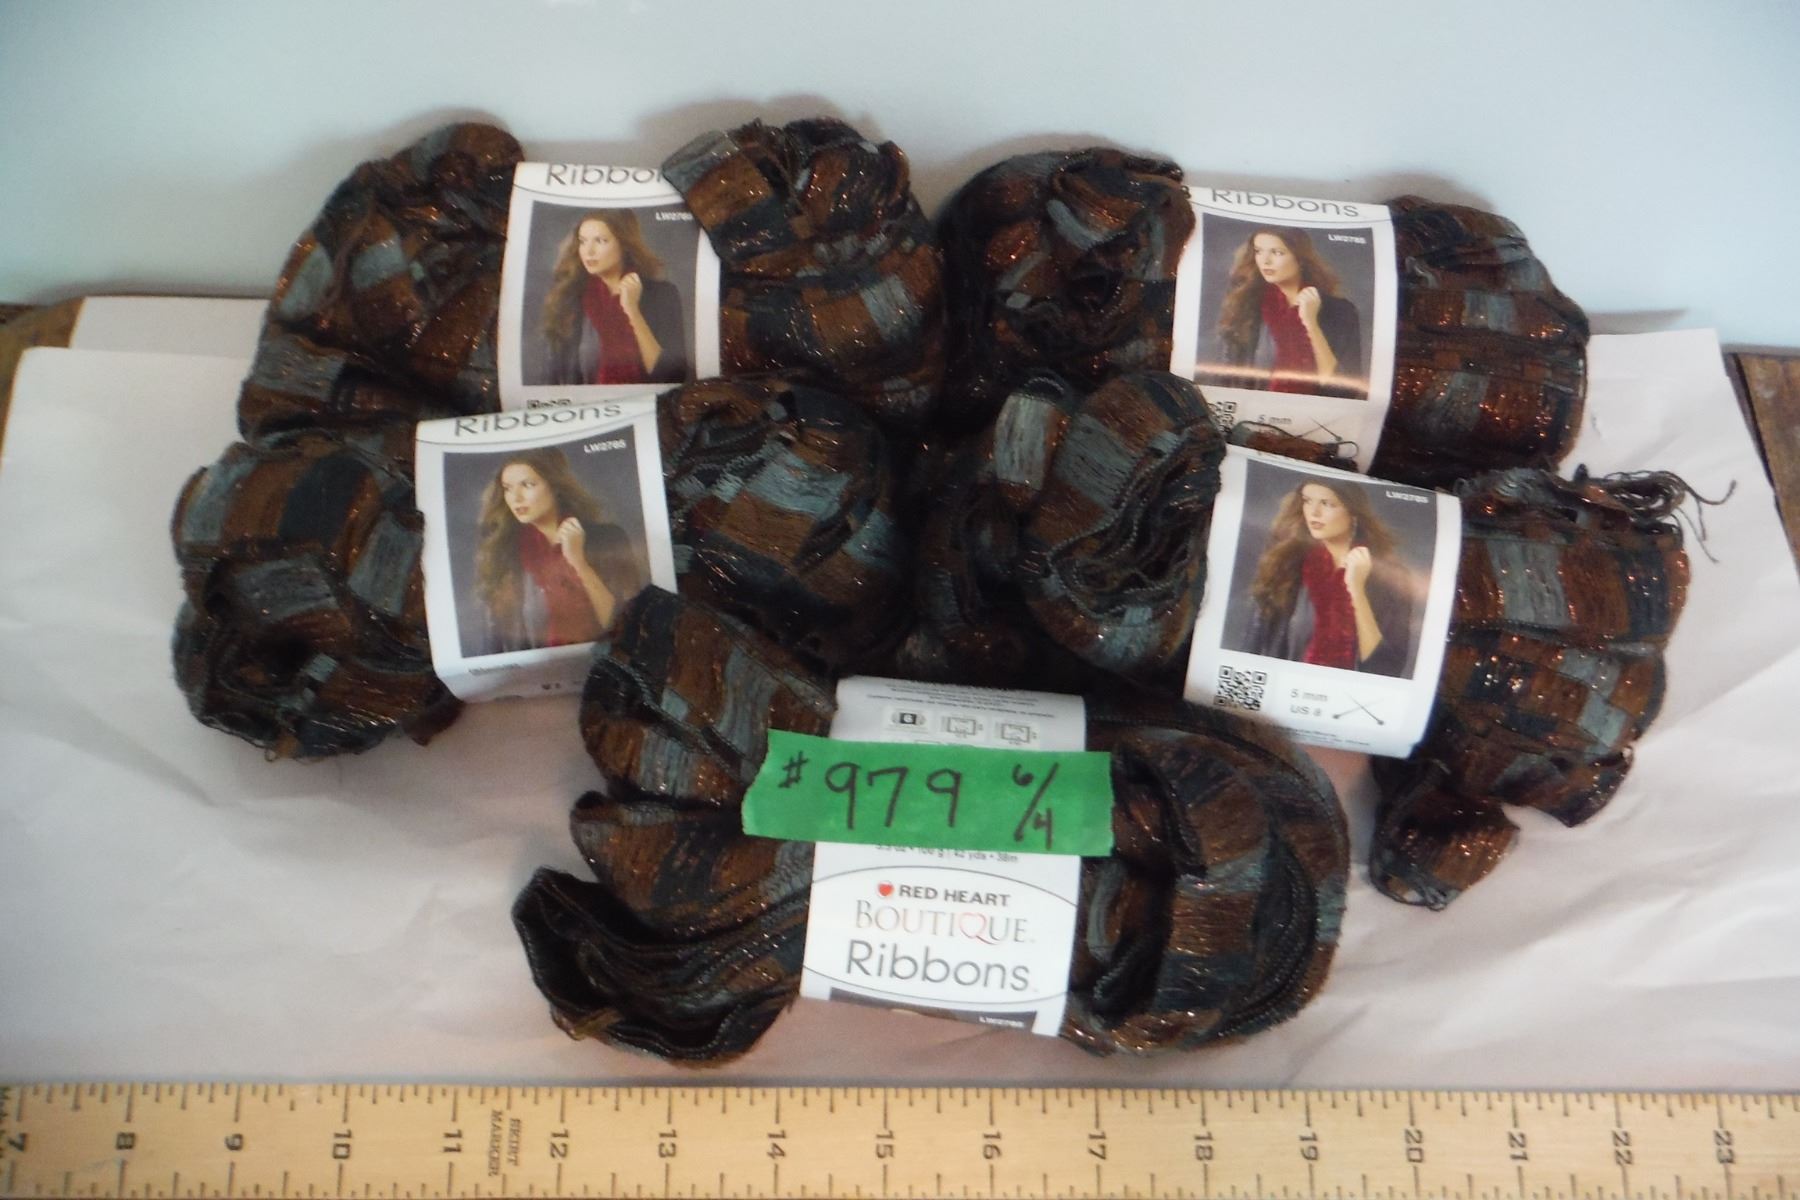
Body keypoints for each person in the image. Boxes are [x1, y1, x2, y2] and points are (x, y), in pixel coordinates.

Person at [471, 448, 648, 655]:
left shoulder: (607, 538)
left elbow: (624, 624)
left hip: (604, 664)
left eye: (528, 485)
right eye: (508, 488)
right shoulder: (504, 553)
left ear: (554, 486)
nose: (516, 498)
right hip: (536, 671)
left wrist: (578, 562)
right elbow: (497, 641)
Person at [1243, 477, 1414, 677]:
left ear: (1353, 513)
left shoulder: (1391, 578)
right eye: (1307, 501)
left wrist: (1356, 589)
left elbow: (1385, 669)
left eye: (1327, 503)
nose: (1314, 512)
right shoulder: (1285, 567)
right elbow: (1252, 648)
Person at [540, 209, 689, 386]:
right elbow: (553, 380)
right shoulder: (569, 299)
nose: (589, 251)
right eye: (583, 241)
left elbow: (672, 375)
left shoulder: (662, 295)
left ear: (624, 244)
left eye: (601, 241)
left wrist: (632, 311)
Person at [1212, 226, 1363, 395]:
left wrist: (1311, 324)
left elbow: (1345, 389)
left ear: (1300, 258)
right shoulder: (1246, 307)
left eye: (1277, 252)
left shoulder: (1341, 311)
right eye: (1258, 251)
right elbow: (1227, 379)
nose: (1265, 261)